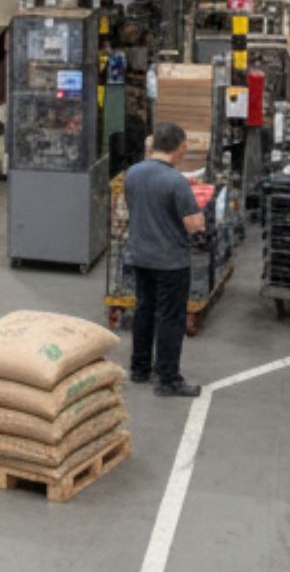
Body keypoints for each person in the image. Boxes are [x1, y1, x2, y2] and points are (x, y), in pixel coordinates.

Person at [123, 122, 206, 398]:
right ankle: (168, 379)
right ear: (180, 147)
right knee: (170, 318)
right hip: (170, 261)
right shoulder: (176, 182)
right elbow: (194, 225)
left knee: (144, 310)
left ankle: (139, 368)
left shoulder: (133, 173)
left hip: (140, 255)